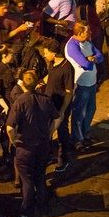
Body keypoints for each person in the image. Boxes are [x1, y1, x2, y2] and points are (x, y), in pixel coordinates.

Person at [6, 70, 59, 217]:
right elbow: (57, 118)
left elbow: (10, 128)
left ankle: (26, 209)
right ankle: (42, 204)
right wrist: (50, 132)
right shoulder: (45, 99)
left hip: (25, 148)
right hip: (42, 145)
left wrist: (13, 140)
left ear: (23, 84)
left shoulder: (20, 101)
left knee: (27, 180)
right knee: (40, 175)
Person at [65, 21, 104, 152]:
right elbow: (84, 64)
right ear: (80, 33)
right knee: (79, 113)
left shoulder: (87, 42)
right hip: (81, 84)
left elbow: (100, 56)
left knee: (91, 109)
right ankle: (77, 139)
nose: (90, 33)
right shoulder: (72, 46)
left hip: (91, 83)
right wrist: (92, 59)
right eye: (87, 32)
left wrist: (92, 58)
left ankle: (85, 133)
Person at [41, 37, 75, 171]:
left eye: (46, 52)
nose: (44, 55)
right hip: (49, 104)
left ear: (53, 53)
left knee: (62, 131)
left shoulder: (67, 68)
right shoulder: (52, 64)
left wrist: (62, 111)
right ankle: (49, 153)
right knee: (47, 130)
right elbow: (50, 76)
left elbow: (68, 92)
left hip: (60, 105)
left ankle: (63, 158)